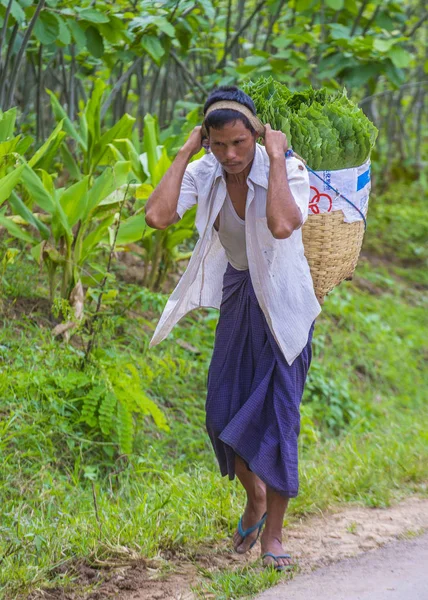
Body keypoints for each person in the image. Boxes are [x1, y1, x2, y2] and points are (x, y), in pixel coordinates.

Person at [145, 86, 321, 571]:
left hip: (285, 310)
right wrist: (185, 152)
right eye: (219, 144)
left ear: (256, 135)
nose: (231, 155)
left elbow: (284, 225)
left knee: (278, 419)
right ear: (208, 142)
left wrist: (278, 157)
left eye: (240, 143)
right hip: (238, 301)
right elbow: (158, 216)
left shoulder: (287, 169)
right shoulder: (206, 172)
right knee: (222, 418)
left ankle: (275, 539)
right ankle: (255, 498)